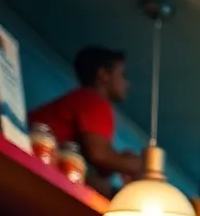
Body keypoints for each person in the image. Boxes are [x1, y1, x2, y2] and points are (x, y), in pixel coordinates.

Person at [28, 46, 143, 194]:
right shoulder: (93, 101)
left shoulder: (82, 99)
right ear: (103, 75)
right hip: (38, 161)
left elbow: (96, 167)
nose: (127, 84)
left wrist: (122, 161)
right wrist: (142, 166)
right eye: (122, 75)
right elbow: (100, 155)